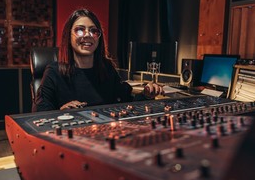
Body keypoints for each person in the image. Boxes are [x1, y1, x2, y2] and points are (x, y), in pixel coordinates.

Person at [32, 8, 164, 112]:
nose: (88, 35)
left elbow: (127, 102)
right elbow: (39, 115)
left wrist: (146, 94)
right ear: (68, 36)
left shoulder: (106, 68)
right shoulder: (54, 72)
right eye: (80, 30)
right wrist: (61, 113)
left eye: (93, 31)